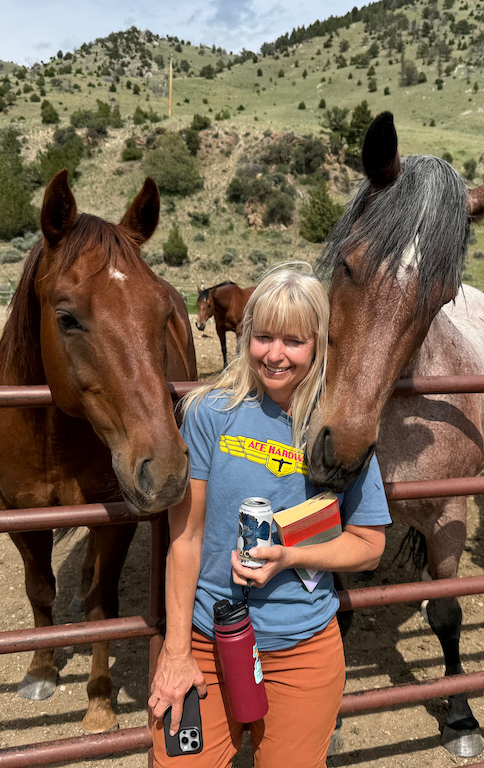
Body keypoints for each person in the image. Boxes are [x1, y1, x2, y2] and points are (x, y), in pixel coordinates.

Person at [148, 262, 391, 767]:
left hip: (303, 649)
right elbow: (185, 541)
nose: (275, 354)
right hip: (208, 641)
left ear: (318, 345)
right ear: (246, 336)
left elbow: (369, 546)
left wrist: (290, 557)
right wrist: (176, 652)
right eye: (263, 337)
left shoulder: (338, 427)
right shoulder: (208, 413)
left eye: (294, 341)